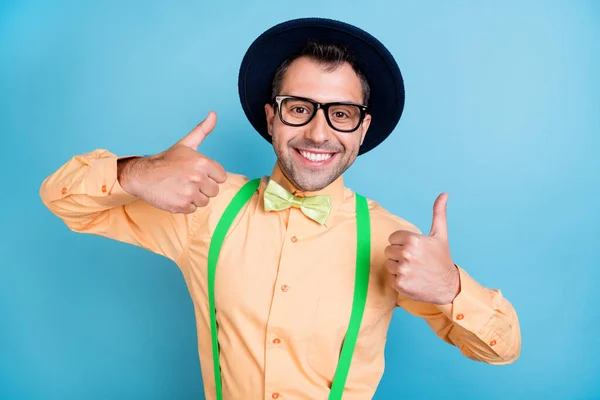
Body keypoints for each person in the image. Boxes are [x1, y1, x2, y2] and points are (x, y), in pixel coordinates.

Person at [39, 17, 521, 400]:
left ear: (361, 129)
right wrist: (137, 173)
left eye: (341, 113)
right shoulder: (204, 205)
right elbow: (65, 201)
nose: (317, 132)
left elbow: (503, 351)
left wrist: (451, 287)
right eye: (298, 107)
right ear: (271, 116)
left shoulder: (393, 243)